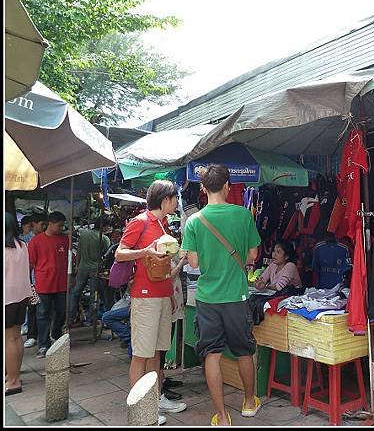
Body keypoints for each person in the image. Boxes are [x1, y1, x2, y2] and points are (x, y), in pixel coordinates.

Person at [182, 164, 262, 426]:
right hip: (237, 296)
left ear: (203, 189)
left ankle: (223, 416)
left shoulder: (194, 221)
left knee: (212, 355)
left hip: (207, 298)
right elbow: (252, 256)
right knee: (243, 351)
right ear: (228, 185)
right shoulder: (243, 215)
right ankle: (249, 402)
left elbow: (193, 262)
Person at [115, 180, 186, 424]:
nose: (177, 203)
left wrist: (170, 295)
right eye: (175, 198)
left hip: (162, 295)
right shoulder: (140, 222)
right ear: (165, 200)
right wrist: (145, 251)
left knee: (157, 352)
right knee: (141, 355)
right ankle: (138, 407)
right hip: (145, 297)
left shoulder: (163, 224)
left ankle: (155, 399)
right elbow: (120, 252)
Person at [28, 211, 69, 359]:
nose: (61, 228)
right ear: (50, 224)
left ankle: (56, 334)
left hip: (62, 284)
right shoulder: (36, 241)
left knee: (61, 312)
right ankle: (44, 344)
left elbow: (71, 259)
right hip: (43, 284)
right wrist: (29, 283)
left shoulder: (65, 240)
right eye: (59, 226)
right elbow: (30, 264)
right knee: (42, 315)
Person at [5, 213, 33, 395]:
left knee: (8, 338)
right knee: (15, 336)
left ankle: (13, 380)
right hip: (21, 296)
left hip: (7, 297)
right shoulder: (22, 245)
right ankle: (13, 375)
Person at [69, 217, 111, 325]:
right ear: (104, 226)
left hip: (82, 267)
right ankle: (91, 319)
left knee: (75, 293)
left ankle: (70, 318)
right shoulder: (104, 238)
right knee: (94, 295)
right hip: (95, 269)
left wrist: (77, 266)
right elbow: (108, 254)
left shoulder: (84, 234)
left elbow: (79, 251)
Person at [23, 213, 48, 349]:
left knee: (44, 310)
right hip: (32, 279)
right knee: (33, 308)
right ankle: (32, 336)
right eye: (42, 223)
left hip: (42, 279)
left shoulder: (45, 238)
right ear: (34, 224)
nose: (44, 226)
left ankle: (43, 336)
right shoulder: (26, 240)